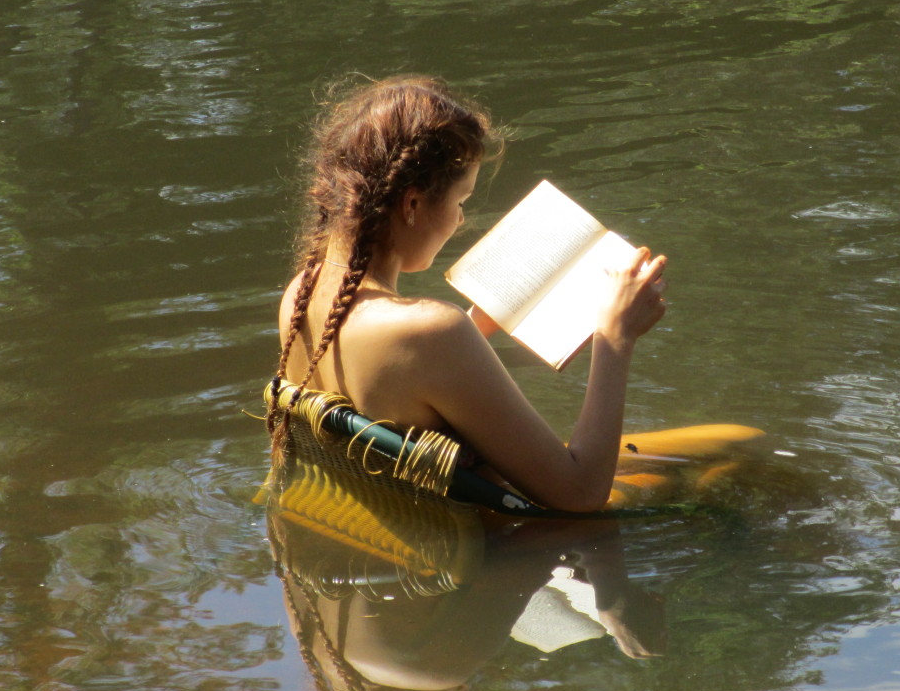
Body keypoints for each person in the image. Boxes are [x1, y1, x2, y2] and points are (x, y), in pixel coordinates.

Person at [269, 74, 668, 512]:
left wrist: (475, 327)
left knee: (717, 445)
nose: (461, 220)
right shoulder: (433, 334)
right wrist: (615, 335)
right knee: (731, 453)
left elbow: (395, 383)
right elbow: (581, 494)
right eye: (461, 202)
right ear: (413, 204)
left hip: (386, 536)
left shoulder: (301, 292)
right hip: (499, 547)